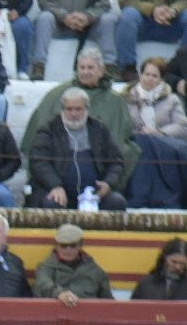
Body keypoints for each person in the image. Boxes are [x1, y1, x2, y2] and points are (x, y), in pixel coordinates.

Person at [23, 47, 139, 180]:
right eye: (82, 67)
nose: (85, 72)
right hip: (59, 167)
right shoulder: (57, 94)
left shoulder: (115, 101)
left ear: (101, 71)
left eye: (90, 68)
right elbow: (38, 134)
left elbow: (120, 140)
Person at [28, 86, 129, 209]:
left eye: (78, 109)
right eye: (69, 109)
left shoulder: (99, 129)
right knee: (52, 203)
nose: (74, 114)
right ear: (62, 110)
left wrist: (108, 183)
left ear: (87, 109)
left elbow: (116, 162)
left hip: (94, 194)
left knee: (117, 203)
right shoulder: (48, 130)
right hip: (59, 191)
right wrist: (55, 186)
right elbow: (38, 162)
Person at [32, 0, 118, 82]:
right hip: (59, 24)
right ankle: (38, 66)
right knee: (44, 18)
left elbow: (104, 3)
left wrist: (88, 16)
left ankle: (110, 66)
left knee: (108, 19)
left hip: (88, 26)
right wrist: (64, 16)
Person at [123, 55, 187, 206]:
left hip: (165, 145)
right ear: (140, 74)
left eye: (154, 76)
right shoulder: (126, 98)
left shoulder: (172, 99)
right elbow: (123, 125)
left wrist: (159, 132)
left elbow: (182, 125)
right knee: (142, 142)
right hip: (136, 142)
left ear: (161, 79)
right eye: (147, 74)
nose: (149, 79)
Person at [116, 0, 187, 81]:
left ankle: (182, 65)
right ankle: (128, 68)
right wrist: (152, 10)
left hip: (170, 21)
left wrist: (173, 11)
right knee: (128, 15)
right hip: (142, 22)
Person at [34, 222, 114, 305]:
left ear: (80, 245)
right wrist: (59, 294)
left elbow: (109, 303)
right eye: (63, 245)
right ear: (56, 245)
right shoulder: (45, 268)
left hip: (88, 316)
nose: (68, 250)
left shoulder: (96, 272)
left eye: (73, 245)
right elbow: (43, 285)